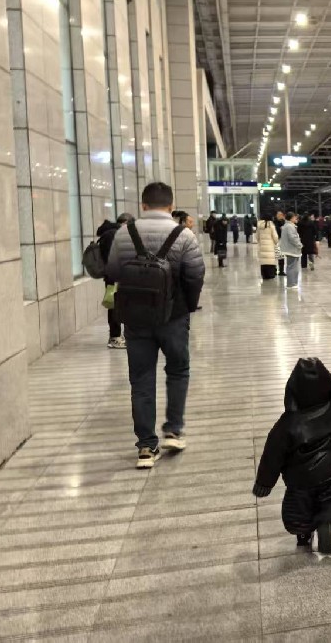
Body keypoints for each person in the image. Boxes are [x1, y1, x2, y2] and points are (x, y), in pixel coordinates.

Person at [105, 182, 206, 468]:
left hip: (136, 319)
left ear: (143, 205)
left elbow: (112, 271)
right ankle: (173, 430)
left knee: (141, 379)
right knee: (178, 370)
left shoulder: (125, 233)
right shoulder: (183, 234)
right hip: (173, 317)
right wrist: (186, 305)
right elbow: (195, 274)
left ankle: (146, 447)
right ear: (171, 206)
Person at [253, 358, 331, 554]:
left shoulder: (287, 424)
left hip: (300, 480)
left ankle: (303, 533)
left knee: (299, 508)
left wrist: (264, 483)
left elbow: (272, 455)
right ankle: (327, 523)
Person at [97, 212, 134, 349]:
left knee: (117, 305)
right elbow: (112, 258)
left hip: (114, 276)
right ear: (125, 223)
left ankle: (117, 335)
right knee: (114, 306)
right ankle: (114, 337)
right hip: (115, 277)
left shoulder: (111, 233)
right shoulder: (112, 235)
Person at [279, 211, 303, 288]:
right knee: (292, 267)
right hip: (292, 249)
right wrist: (299, 245)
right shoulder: (290, 226)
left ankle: (292, 283)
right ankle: (291, 283)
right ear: (291, 218)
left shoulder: (287, 226)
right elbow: (292, 238)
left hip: (290, 249)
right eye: (295, 217)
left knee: (291, 266)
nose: (296, 219)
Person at [257, 213, 279, 280]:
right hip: (270, 247)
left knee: (263, 261)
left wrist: (261, 242)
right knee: (270, 261)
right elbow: (275, 237)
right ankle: (270, 274)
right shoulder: (271, 225)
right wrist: (276, 242)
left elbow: (257, 237)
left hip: (262, 246)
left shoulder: (259, 225)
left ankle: (264, 275)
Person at [275, 210, 287, 276]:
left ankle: (281, 271)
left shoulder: (284, 222)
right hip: (276, 241)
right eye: (278, 214)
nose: (279, 216)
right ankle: (274, 270)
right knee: (275, 256)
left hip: (282, 241)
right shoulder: (274, 222)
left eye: (280, 215)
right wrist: (280, 229)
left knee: (281, 256)